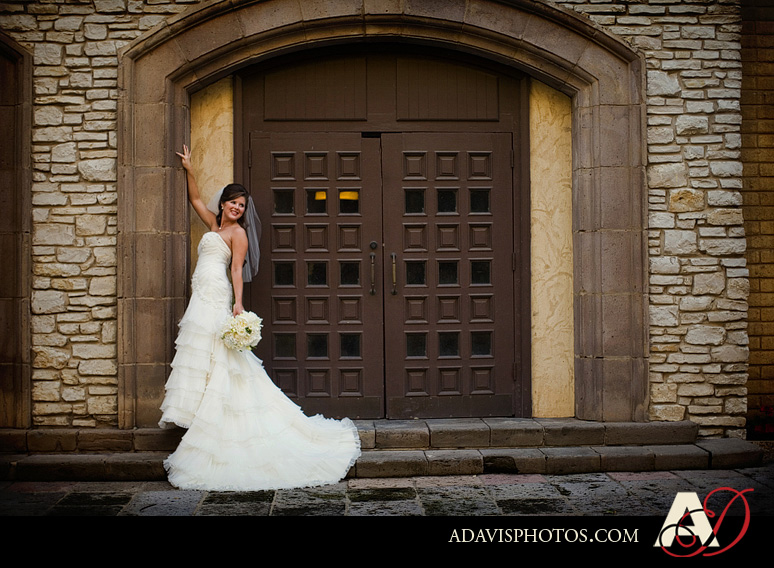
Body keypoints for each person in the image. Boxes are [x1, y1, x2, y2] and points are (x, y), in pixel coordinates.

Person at [158, 145, 361, 491]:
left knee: (221, 357)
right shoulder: (213, 223)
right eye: (233, 202)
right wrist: (189, 168)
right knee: (204, 355)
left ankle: (222, 424)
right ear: (223, 203)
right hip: (199, 297)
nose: (237, 208)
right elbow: (194, 200)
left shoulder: (237, 234)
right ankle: (211, 417)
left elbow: (236, 269)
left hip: (216, 296)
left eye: (241, 205)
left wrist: (238, 303)